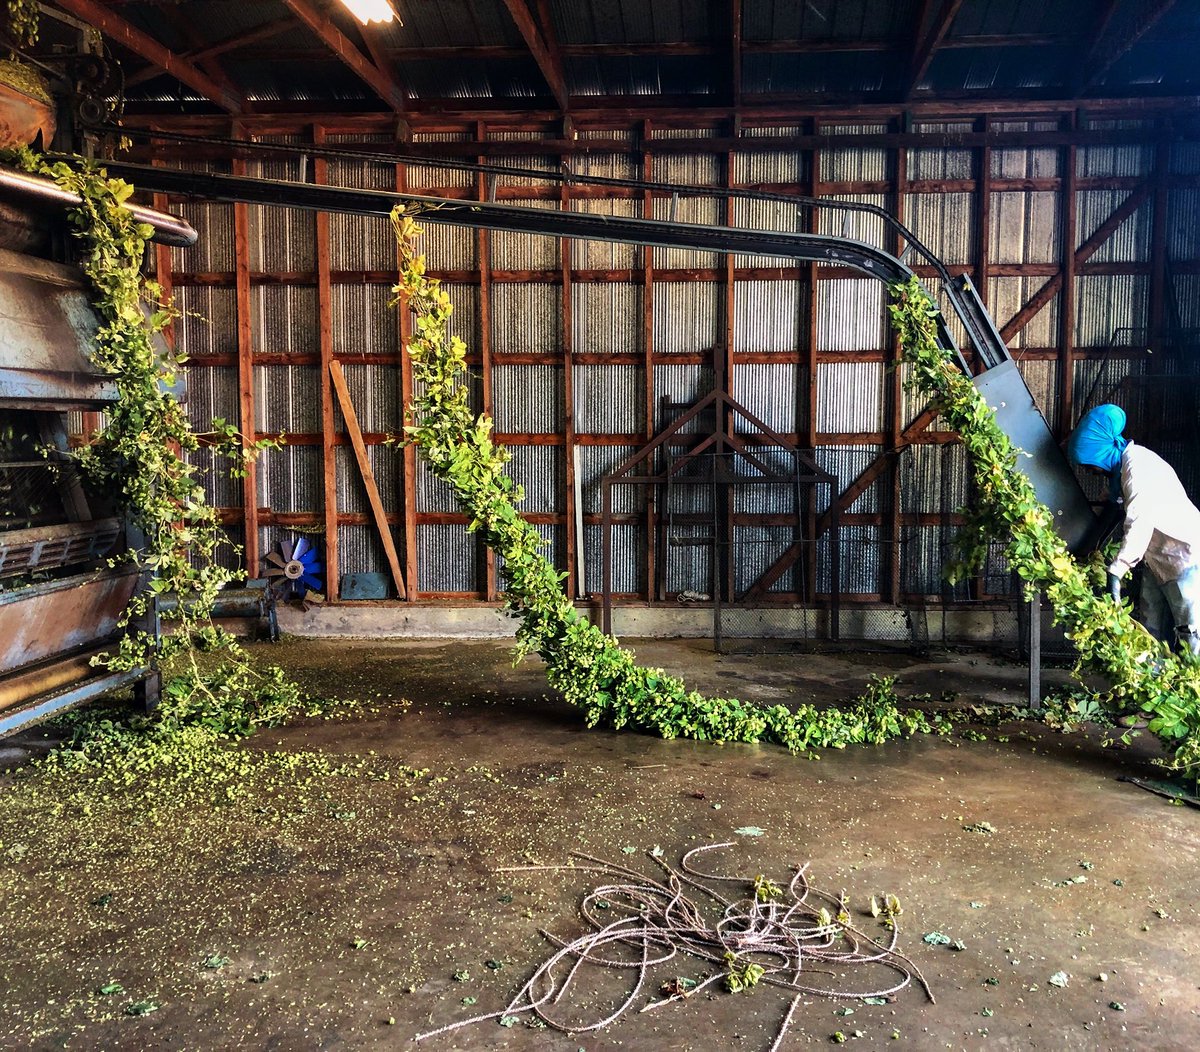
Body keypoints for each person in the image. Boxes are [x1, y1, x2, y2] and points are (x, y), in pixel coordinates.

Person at [1067, 404, 1200, 654]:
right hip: (1157, 560)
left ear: (1100, 454)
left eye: (1088, 464)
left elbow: (1139, 523)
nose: (1089, 471)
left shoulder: (1137, 468)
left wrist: (1116, 571)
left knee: (1191, 632)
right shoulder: (1120, 474)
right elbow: (1110, 509)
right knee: (1150, 631)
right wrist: (1088, 548)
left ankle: (1190, 690)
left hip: (1185, 557)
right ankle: (1153, 686)